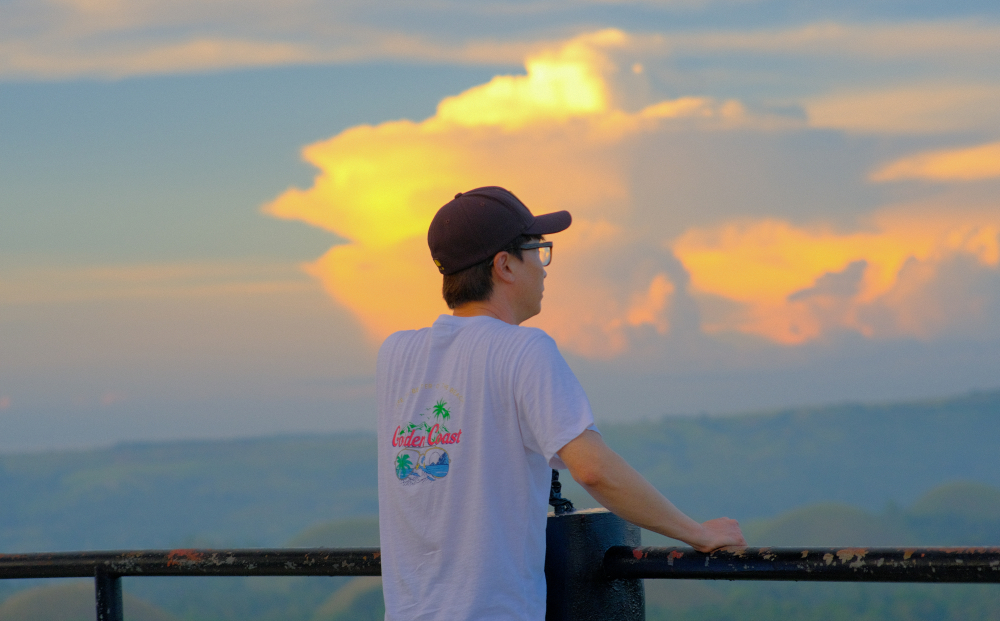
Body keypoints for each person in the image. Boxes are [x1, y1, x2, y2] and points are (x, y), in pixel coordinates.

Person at [376, 186, 745, 621]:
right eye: (538, 250)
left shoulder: (395, 354)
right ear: (504, 265)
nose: (544, 268)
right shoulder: (523, 350)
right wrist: (698, 533)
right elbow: (593, 469)